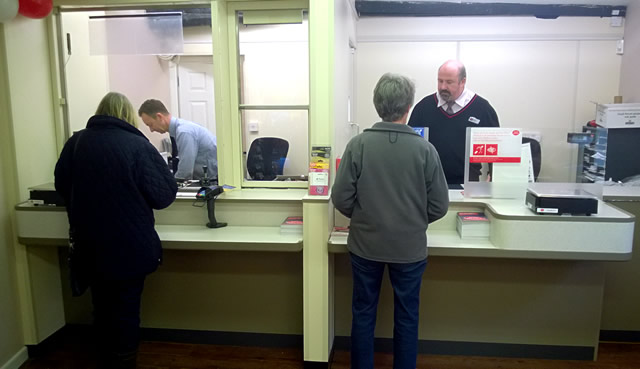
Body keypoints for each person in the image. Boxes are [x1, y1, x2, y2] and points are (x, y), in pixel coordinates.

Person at [332, 73, 449, 369]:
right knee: (408, 317)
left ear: (376, 105)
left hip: (364, 245)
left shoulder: (358, 146)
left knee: (363, 313)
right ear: (409, 106)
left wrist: (363, 217)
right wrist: (412, 220)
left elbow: (341, 197)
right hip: (409, 248)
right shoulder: (426, 150)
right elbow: (439, 205)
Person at [54, 92, 178, 369]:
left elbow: (62, 185)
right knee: (125, 310)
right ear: (127, 115)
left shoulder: (76, 142)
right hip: (129, 244)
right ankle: (123, 362)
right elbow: (163, 196)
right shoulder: (137, 145)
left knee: (101, 307)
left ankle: (105, 360)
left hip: (90, 243)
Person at [408, 60, 500, 185]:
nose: (442, 87)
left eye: (449, 82)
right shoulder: (423, 107)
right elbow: (410, 145)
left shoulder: (482, 109)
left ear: (463, 81)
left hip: (467, 186)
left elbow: (495, 149)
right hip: (428, 184)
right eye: (440, 81)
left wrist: (494, 177)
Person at [138, 99, 218, 181]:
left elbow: (185, 171)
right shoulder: (180, 130)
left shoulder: (184, 132)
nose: (151, 130)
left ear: (159, 117)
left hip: (213, 181)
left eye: (150, 125)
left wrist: (172, 186)